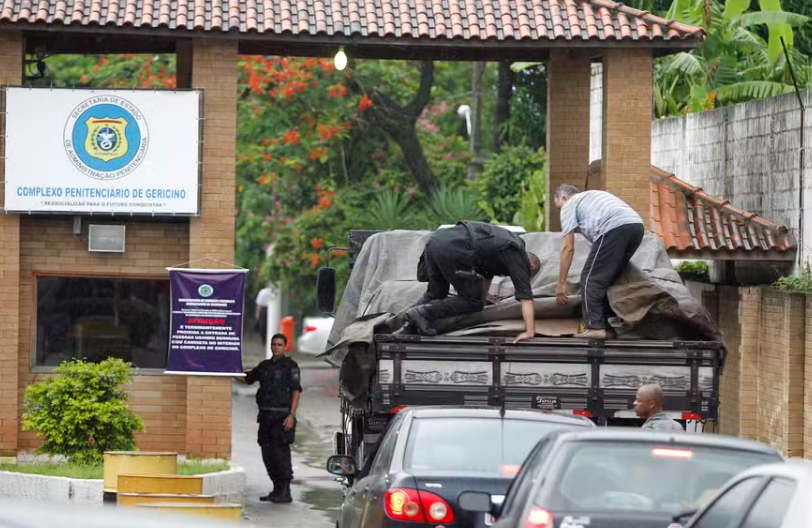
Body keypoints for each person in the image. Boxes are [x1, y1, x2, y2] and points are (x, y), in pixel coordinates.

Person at [405, 221, 542, 344]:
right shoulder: (517, 253)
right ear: (531, 264)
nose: (523, 277)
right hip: (454, 249)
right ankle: (423, 313)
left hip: (435, 241)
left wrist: (483, 300)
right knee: (472, 302)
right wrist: (530, 331)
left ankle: (407, 325)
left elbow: (486, 276)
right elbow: (526, 298)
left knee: (436, 293)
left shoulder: (500, 248)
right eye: (527, 275)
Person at [553, 185, 645, 339]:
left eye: (558, 207)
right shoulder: (593, 197)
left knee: (590, 279)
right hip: (636, 226)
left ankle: (595, 327)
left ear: (564, 198)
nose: (560, 212)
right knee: (608, 279)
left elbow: (568, 247)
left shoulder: (570, 204)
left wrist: (561, 283)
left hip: (613, 226)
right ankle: (608, 326)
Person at [240, 333, 302, 503]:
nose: (276, 347)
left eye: (279, 344)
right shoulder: (264, 366)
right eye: (274, 344)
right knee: (267, 453)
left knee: (280, 453)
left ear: (285, 346)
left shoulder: (291, 366)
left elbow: (296, 391)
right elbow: (247, 379)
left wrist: (292, 415)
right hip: (266, 416)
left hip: (282, 416)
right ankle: (276, 489)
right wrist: (227, 371)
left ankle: (285, 491)